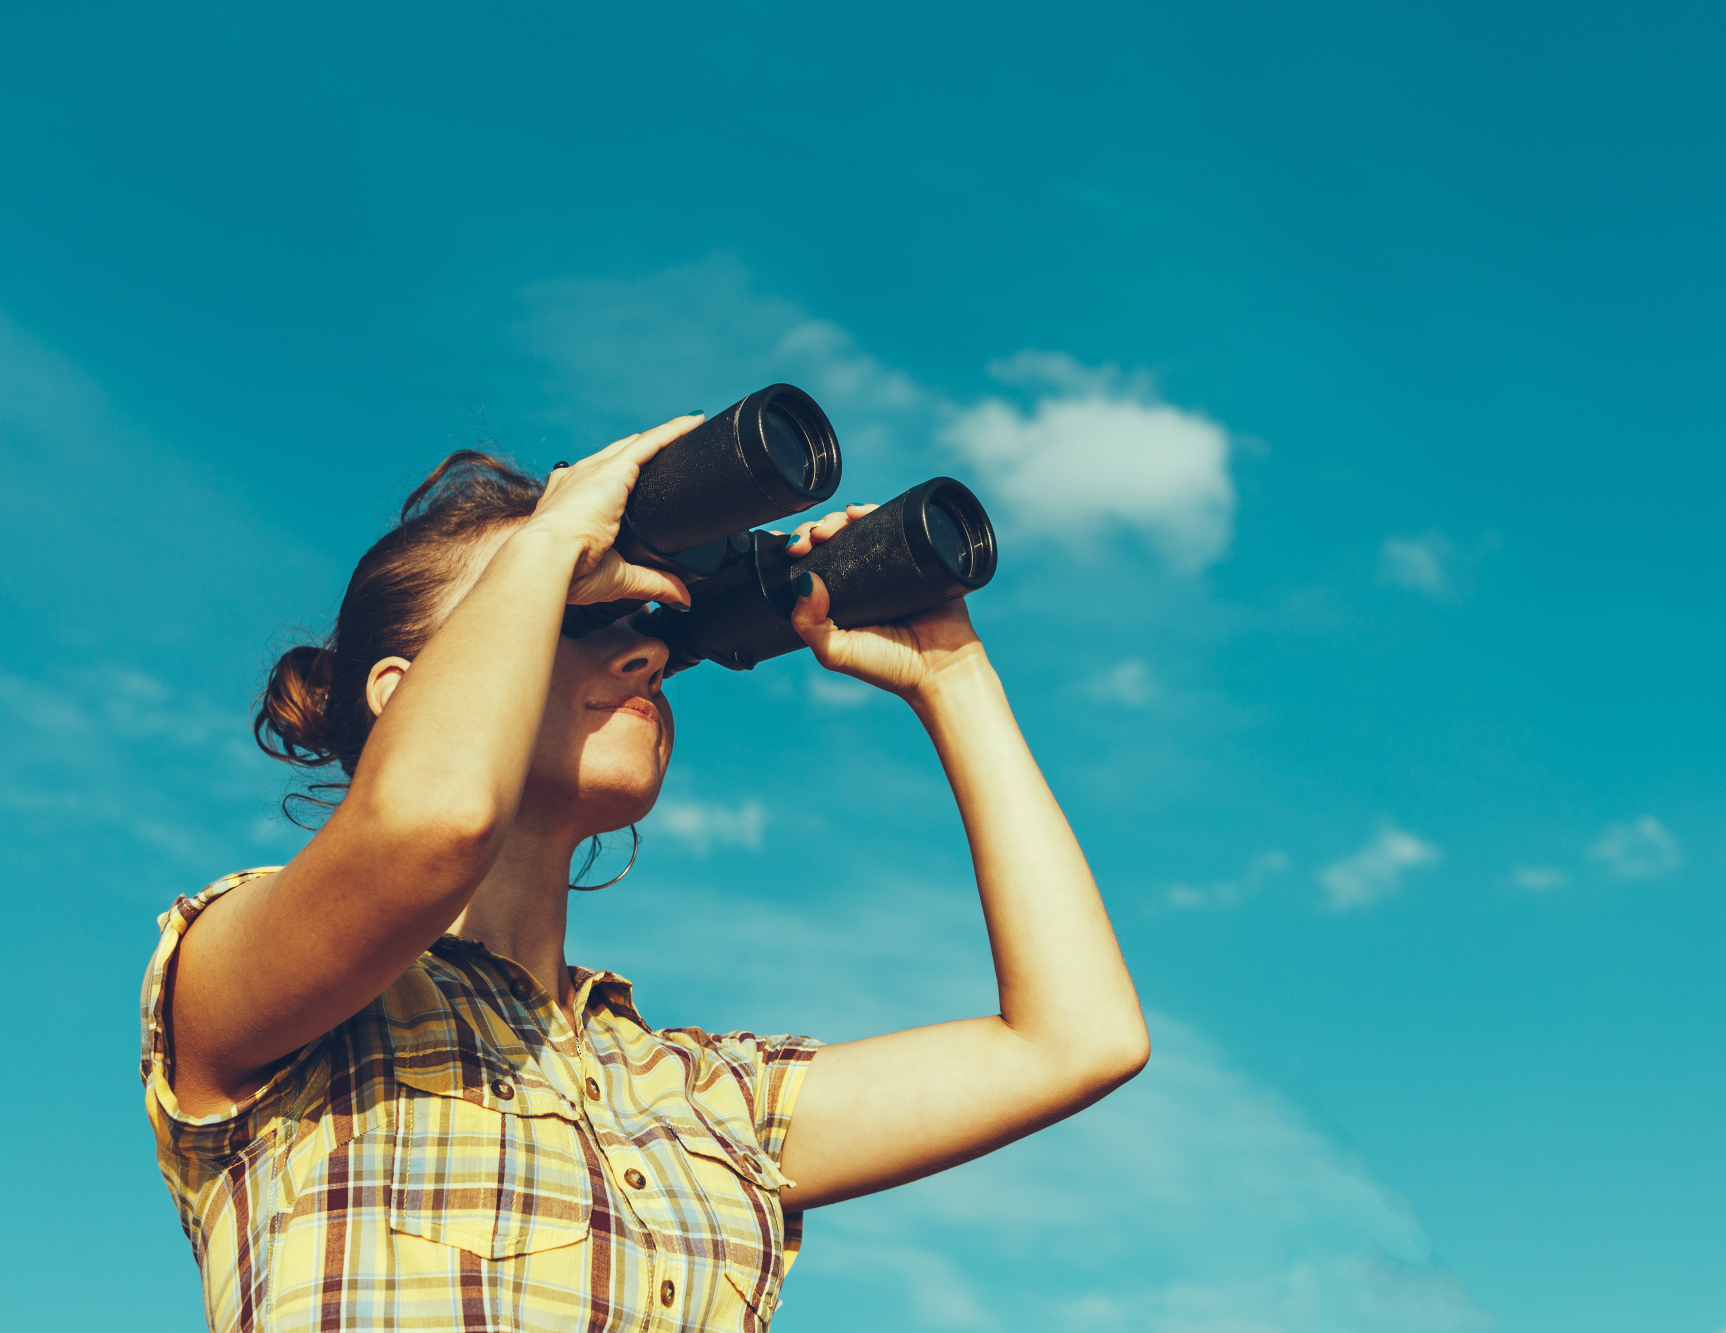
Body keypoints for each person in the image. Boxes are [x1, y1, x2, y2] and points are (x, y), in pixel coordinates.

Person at [140, 416, 1150, 1332]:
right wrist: (546, 542)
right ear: (398, 695)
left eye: (655, 629)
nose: (645, 658)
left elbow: (1077, 1039)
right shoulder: (263, 1001)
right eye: (578, 610)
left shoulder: (704, 1098)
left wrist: (950, 675)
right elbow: (429, 822)